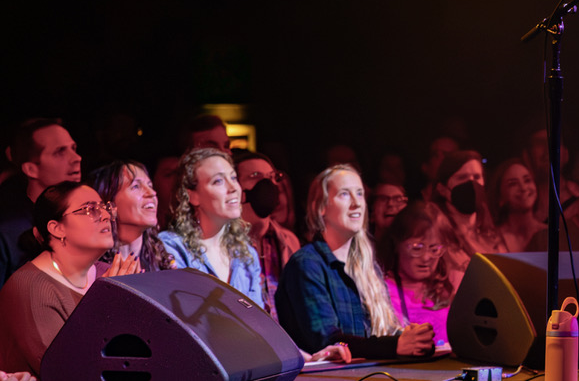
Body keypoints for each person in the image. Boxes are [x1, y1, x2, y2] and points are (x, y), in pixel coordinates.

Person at [278, 164, 435, 358]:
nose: (356, 203)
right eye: (344, 194)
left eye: (360, 194)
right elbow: (327, 341)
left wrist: (415, 340)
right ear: (321, 208)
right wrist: (393, 346)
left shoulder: (368, 266)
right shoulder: (307, 265)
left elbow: (384, 331)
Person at [0, 182, 139, 375]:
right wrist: (107, 304)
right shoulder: (30, 289)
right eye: (90, 209)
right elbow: (66, 372)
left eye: (105, 208)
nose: (107, 216)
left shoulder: (108, 272)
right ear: (57, 228)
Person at [160, 147, 263, 306]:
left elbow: (257, 321)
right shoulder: (172, 247)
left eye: (234, 178)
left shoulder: (246, 255)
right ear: (192, 196)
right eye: (218, 181)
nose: (233, 188)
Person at [0, 120, 82, 287]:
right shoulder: (7, 234)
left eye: (73, 149)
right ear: (31, 169)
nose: (77, 158)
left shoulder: (85, 219)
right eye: (60, 152)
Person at [233, 150, 301, 320]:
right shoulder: (226, 245)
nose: (267, 184)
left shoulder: (288, 241)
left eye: (272, 177)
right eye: (255, 176)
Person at [376, 201, 459, 341]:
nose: (426, 257)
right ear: (396, 244)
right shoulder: (380, 290)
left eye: (434, 249)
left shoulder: (453, 284)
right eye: (416, 248)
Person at [88, 160, 175, 272]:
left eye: (150, 185)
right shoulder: (92, 270)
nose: (152, 193)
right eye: (136, 186)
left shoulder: (164, 262)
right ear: (110, 202)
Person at [428, 150, 506, 258]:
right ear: (442, 189)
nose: (471, 183)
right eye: (462, 177)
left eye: (477, 177)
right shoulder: (433, 232)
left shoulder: (490, 229)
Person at [489, 158, 540, 253]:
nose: (523, 188)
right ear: (499, 197)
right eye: (513, 184)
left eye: (527, 180)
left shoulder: (553, 235)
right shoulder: (491, 239)